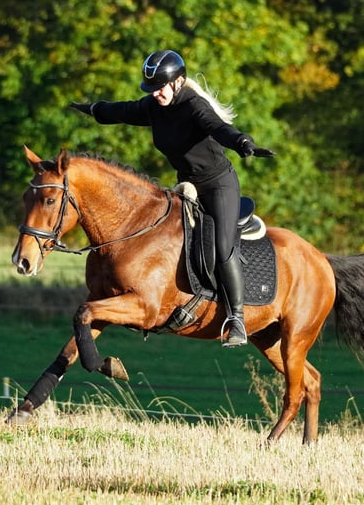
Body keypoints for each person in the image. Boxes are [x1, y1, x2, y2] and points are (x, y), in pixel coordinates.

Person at [70, 49, 275, 347]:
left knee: (221, 246)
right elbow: (123, 111)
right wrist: (93, 109)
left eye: (161, 87)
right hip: (187, 186)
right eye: (152, 89)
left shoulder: (194, 105)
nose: (156, 94)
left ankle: (236, 318)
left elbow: (219, 128)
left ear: (179, 82)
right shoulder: (155, 107)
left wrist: (242, 142)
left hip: (219, 186)